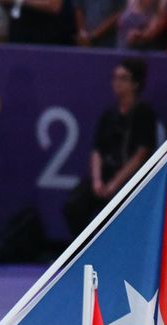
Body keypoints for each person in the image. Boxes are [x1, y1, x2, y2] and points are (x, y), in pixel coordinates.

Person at [63, 58, 158, 237]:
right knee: (73, 205)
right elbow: (97, 150)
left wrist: (116, 183)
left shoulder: (144, 114)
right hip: (106, 173)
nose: (117, 83)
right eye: (115, 77)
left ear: (135, 84)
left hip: (132, 178)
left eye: (123, 78)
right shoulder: (109, 114)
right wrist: (97, 180)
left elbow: (141, 154)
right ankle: (82, 253)